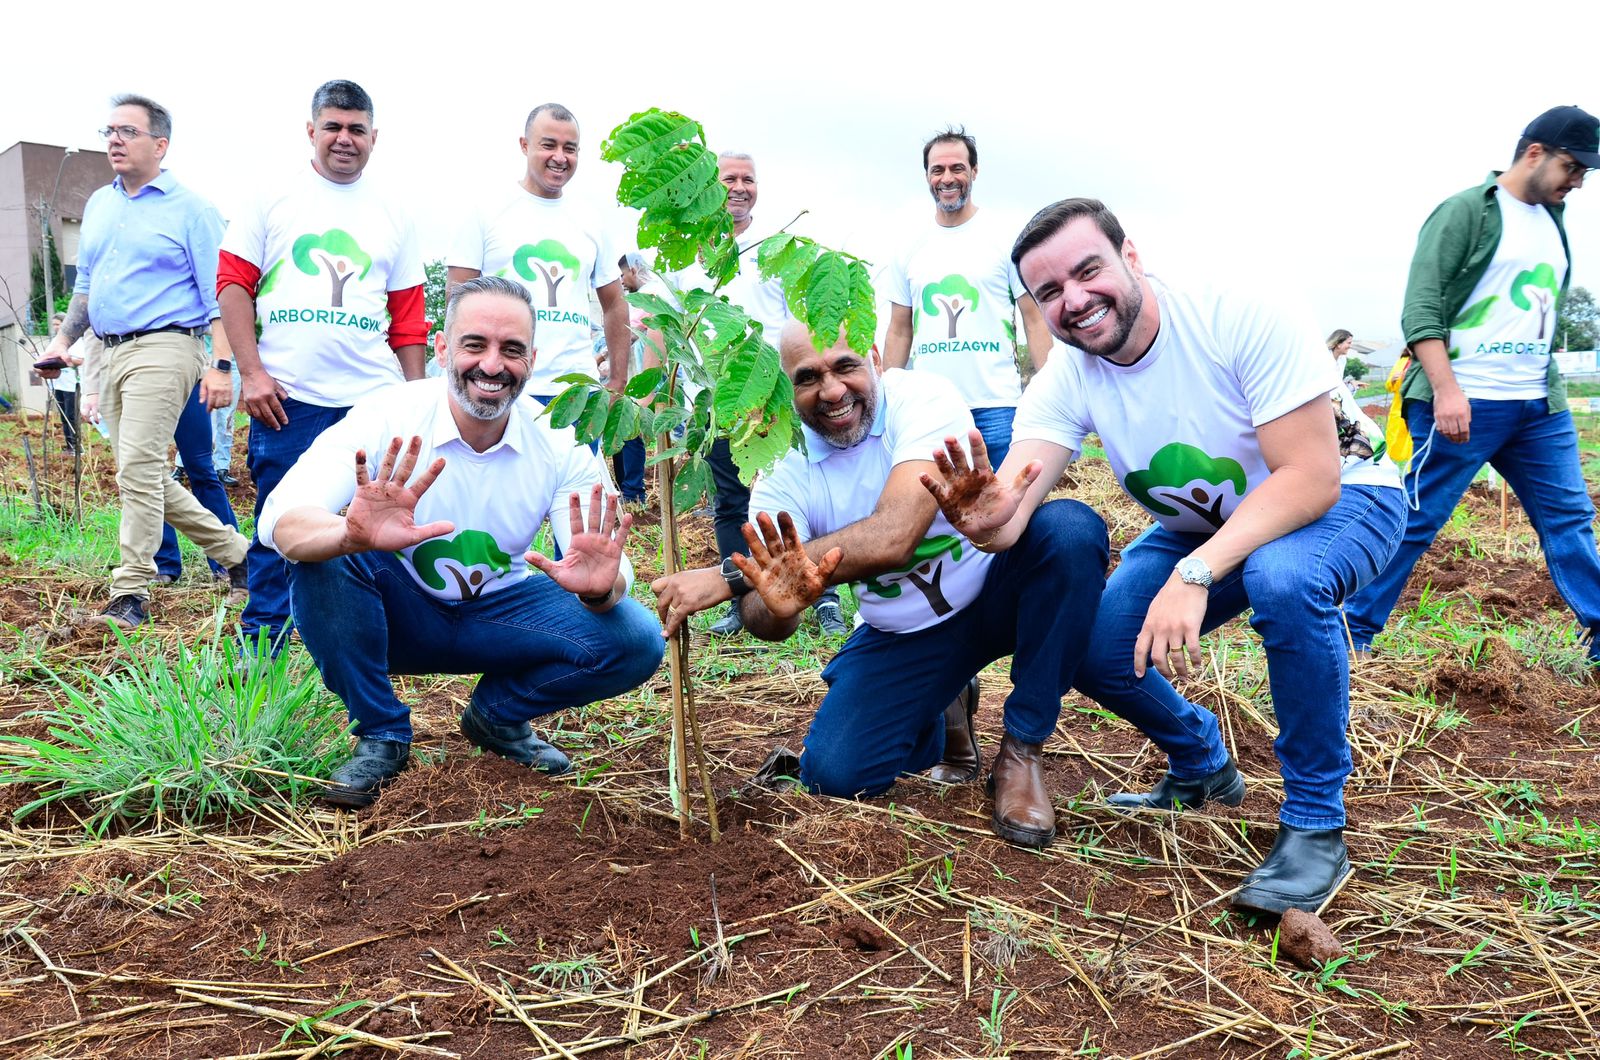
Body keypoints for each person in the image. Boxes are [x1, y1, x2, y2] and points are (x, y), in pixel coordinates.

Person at [925, 198, 1404, 912]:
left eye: (1088, 271)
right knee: (1095, 646)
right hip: (1202, 524)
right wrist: (989, 520)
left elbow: (1310, 478)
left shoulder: (1237, 315)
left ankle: (1315, 827)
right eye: (1050, 293)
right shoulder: (1070, 374)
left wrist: (1196, 572)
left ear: (1133, 257)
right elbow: (1017, 493)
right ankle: (1202, 764)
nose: (1075, 301)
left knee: (1283, 577)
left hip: (1341, 497)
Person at [652, 319, 1109, 849]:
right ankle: (943, 701)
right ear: (785, 386)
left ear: (874, 357)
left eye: (845, 365)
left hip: (995, 590)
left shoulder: (924, 398)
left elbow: (895, 535)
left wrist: (727, 578)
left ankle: (1022, 750)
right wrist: (776, 605)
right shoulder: (782, 469)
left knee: (1070, 532)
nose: (831, 391)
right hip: (905, 633)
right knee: (835, 774)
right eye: (807, 378)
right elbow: (765, 617)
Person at [258, 276, 664, 807]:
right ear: (442, 348)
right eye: (475, 345)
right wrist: (348, 534)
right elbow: (278, 520)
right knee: (320, 558)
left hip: (500, 617)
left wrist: (597, 591)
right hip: (398, 610)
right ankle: (382, 732)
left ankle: (497, 717)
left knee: (636, 636)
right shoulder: (389, 414)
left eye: (511, 350)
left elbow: (608, 570)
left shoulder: (558, 440)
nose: (492, 366)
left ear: (532, 359)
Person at [1344, 106, 1600, 663]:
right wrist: (1446, 390)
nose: (1579, 180)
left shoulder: (1553, 221)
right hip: (1464, 401)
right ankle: (1352, 633)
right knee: (1415, 517)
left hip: (1538, 405)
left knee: (1571, 518)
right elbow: (1422, 306)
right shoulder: (1465, 212)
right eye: (1573, 166)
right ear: (1534, 152)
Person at [218, 79, 428, 657]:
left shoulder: (395, 212)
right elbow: (233, 285)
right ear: (310, 130)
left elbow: (409, 317)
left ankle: (369, 641)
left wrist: (415, 399)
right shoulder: (271, 196)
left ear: (374, 137)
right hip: (292, 398)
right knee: (278, 520)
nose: (344, 138)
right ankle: (264, 644)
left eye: (356, 129)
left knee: (377, 524)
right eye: (332, 126)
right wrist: (253, 374)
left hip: (375, 398)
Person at [36, 93, 250, 629]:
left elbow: (218, 292)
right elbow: (85, 287)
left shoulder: (191, 209)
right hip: (105, 351)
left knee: (138, 469)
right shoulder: (101, 205)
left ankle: (130, 591)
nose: (113, 139)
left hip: (167, 344)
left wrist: (220, 365)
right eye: (109, 130)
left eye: (127, 131)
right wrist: (63, 343)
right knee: (145, 472)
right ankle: (241, 555)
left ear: (161, 143)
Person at [667, 152, 847, 637]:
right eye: (730, 179)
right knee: (730, 500)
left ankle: (824, 597)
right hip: (717, 401)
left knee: (798, 496)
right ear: (710, 186)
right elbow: (674, 330)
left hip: (776, 398)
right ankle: (741, 597)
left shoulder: (775, 250)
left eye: (749, 180)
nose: (740, 188)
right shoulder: (690, 260)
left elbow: (803, 324)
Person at [882, 126, 1056, 469]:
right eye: (938, 170)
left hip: (997, 407)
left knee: (1011, 507)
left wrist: (1049, 392)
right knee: (937, 514)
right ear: (927, 177)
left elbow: (1034, 318)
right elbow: (900, 329)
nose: (948, 178)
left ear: (974, 172)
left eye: (957, 168)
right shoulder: (908, 247)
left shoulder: (1005, 237)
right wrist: (889, 398)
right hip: (930, 409)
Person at [447, 102, 632, 404]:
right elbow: (456, 300)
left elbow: (614, 304)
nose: (560, 158)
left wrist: (617, 381)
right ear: (524, 145)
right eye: (549, 145)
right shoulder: (487, 212)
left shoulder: (591, 221)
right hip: (501, 384)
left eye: (570, 148)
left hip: (576, 392)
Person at [611, 252, 652, 507]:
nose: (621, 281)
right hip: (631, 376)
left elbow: (632, 333)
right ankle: (625, 487)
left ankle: (633, 491)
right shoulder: (636, 300)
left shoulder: (653, 297)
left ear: (635, 270)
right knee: (620, 429)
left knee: (631, 432)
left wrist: (605, 355)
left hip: (645, 378)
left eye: (623, 275)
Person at [46, 314, 81, 454]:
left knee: (71, 416)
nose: (55, 327)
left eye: (58, 324)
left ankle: (77, 446)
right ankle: (69, 446)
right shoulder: (55, 341)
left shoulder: (76, 341)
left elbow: (81, 360)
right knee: (64, 417)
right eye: (53, 324)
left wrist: (63, 360)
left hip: (72, 385)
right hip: (58, 384)